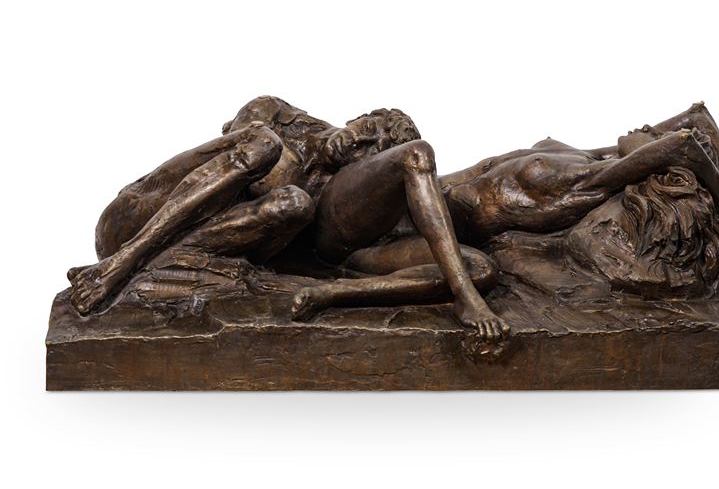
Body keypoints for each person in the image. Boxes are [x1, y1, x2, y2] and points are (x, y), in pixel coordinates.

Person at [69, 96, 508, 340]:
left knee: (293, 203)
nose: (361, 143)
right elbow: (223, 157)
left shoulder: (329, 204)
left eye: (375, 151)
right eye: (367, 128)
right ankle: (123, 264)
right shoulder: (276, 116)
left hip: (207, 243)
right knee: (263, 145)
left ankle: (462, 293)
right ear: (355, 116)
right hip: (136, 217)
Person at [289, 103, 719, 318]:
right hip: (358, 225)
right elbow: (687, 136)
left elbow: (688, 130)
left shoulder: (580, 167)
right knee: (415, 154)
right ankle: (466, 300)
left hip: (388, 237)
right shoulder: (580, 173)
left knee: (481, 269)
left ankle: (331, 294)